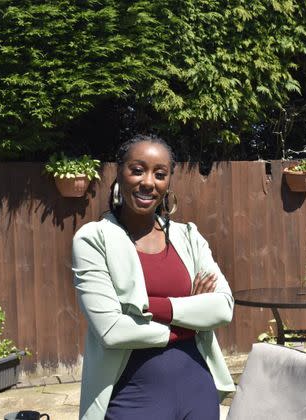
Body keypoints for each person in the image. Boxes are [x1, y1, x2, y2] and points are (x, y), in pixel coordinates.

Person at [72, 134, 235, 420]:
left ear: (169, 181)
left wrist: (151, 307)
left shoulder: (189, 237)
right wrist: (187, 322)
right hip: (132, 397)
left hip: (198, 389)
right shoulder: (93, 239)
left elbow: (222, 307)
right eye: (137, 170)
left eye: (160, 174)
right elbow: (111, 329)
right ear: (119, 173)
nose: (148, 182)